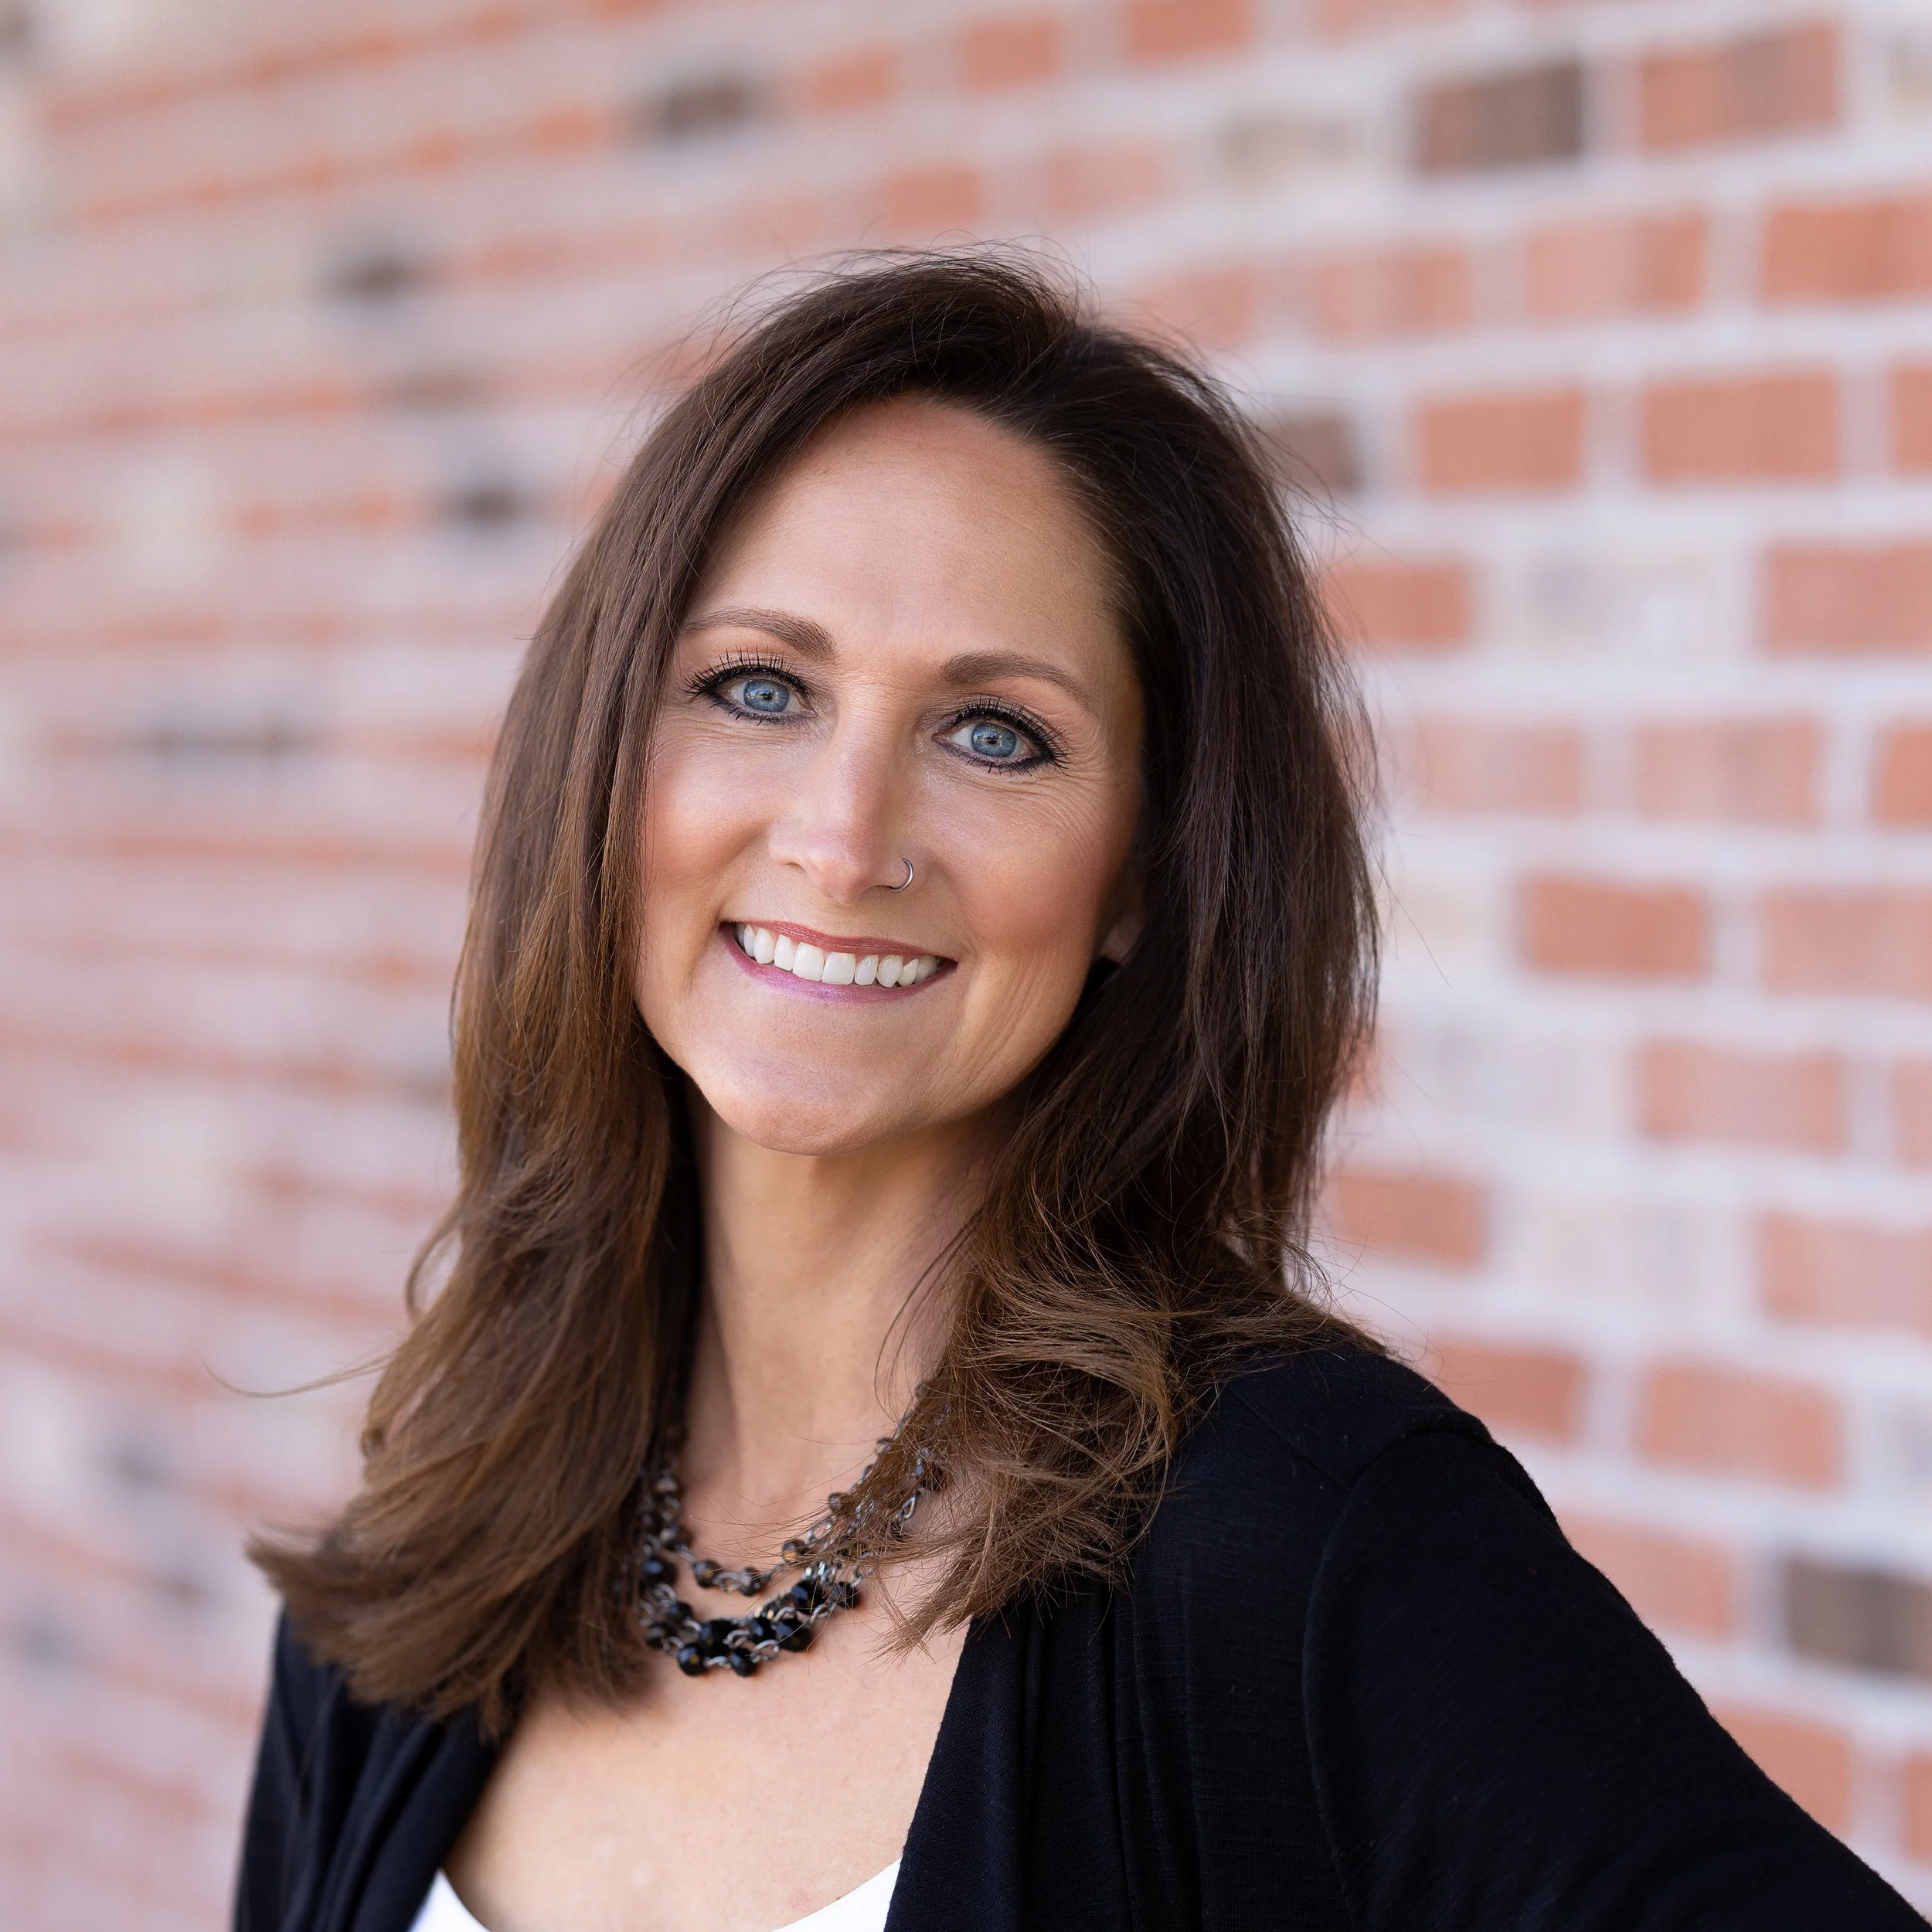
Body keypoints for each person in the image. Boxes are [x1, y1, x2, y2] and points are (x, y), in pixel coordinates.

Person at [233, 252, 1919, 1932]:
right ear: (602, 759)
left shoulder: (1304, 1541)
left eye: (993, 733)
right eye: (759, 687)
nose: (840, 835)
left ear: (1136, 877)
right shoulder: (414, 1581)